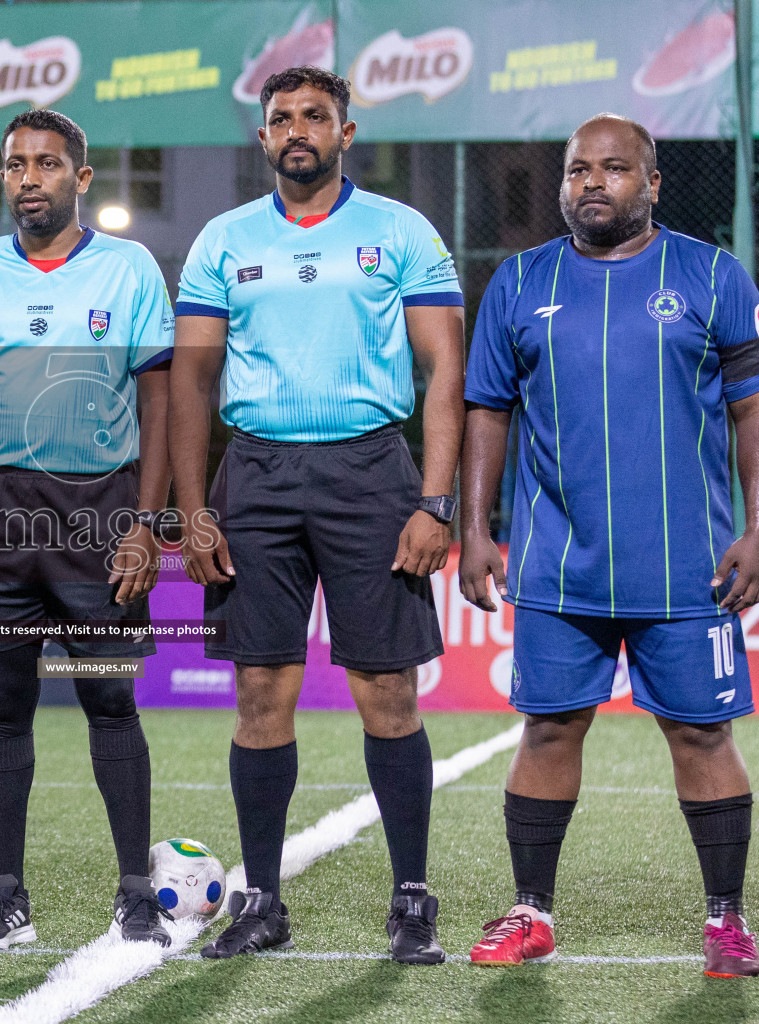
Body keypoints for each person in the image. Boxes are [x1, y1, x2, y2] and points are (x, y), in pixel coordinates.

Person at [460, 114, 759, 978]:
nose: (591, 183)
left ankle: (727, 921)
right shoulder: (521, 281)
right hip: (559, 563)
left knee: (702, 737)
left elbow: (758, 409)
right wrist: (475, 528)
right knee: (549, 729)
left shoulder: (711, 274)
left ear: (652, 181)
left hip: (689, 564)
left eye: (613, 168)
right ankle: (532, 912)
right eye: (576, 170)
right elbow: (487, 409)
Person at [170, 66, 465, 963]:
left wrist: (436, 502)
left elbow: (445, 371)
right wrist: (192, 508)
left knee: (387, 691)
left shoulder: (400, 231)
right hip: (254, 476)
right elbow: (190, 376)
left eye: (316, 116)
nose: (298, 129)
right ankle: (261, 903)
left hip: (372, 472)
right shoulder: (224, 239)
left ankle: (411, 899)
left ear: (345, 131)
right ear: (263, 139)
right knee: (260, 693)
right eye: (281, 118)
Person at [0, 109, 175, 949]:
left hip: (98, 516)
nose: (28, 177)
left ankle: (137, 891)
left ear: (81, 178)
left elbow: (161, 401)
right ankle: (6, 897)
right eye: (15, 164)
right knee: (3, 708)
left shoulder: (130, 269)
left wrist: (148, 522)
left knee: (109, 698)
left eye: (46, 164)